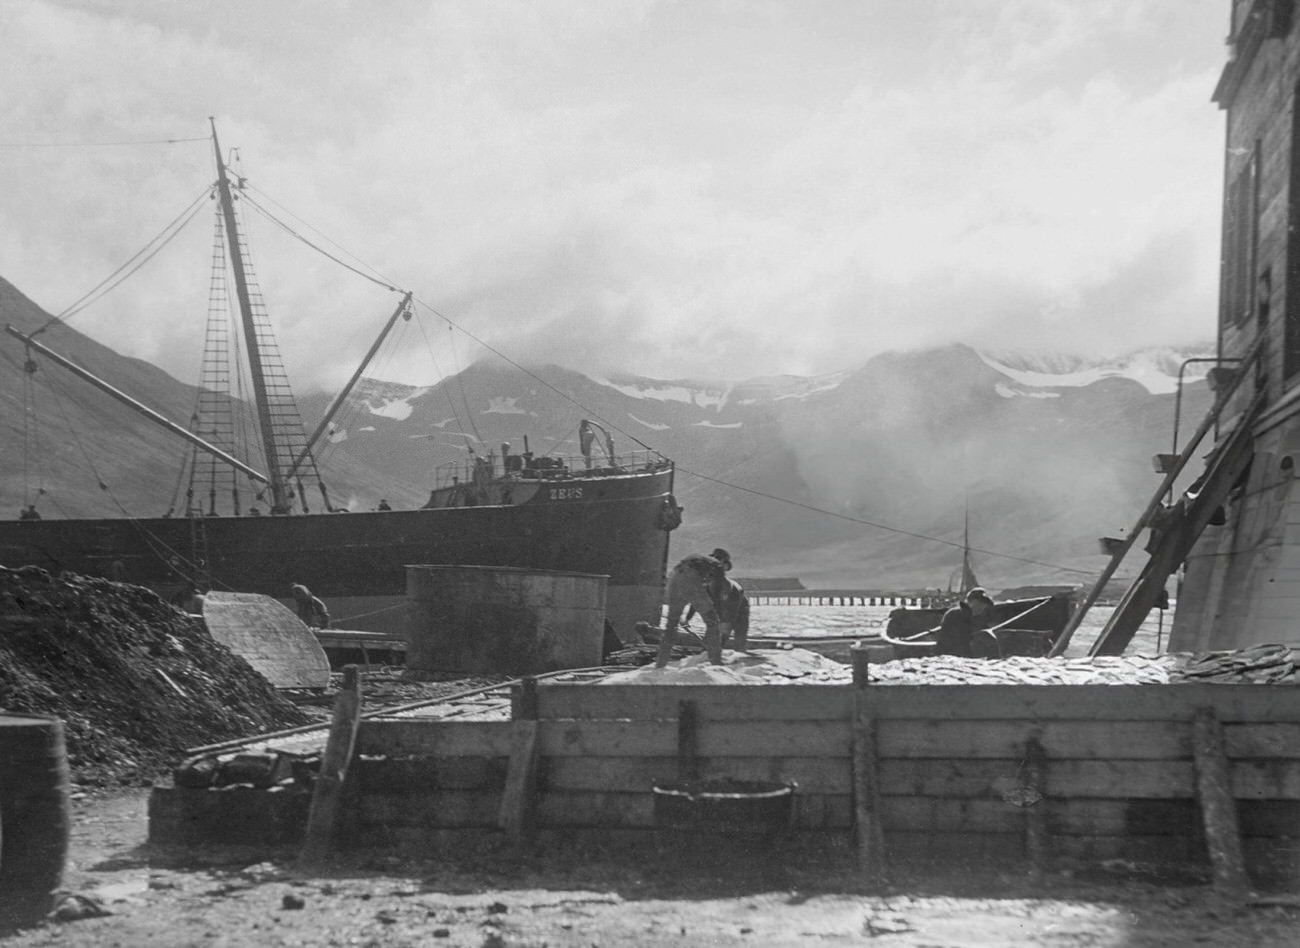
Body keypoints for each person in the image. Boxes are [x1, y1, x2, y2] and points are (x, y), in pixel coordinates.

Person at [655, 551, 731, 667]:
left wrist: (687, 618)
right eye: (726, 567)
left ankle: (660, 663)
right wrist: (720, 617)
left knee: (671, 626)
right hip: (690, 577)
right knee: (712, 623)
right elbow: (715, 595)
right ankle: (716, 662)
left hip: (674, 578)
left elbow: (695, 597)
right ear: (724, 561)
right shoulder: (717, 565)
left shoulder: (700, 560)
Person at [935, 587, 997, 658]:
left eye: (984, 604)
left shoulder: (976, 616)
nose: (982, 607)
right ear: (972, 602)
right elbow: (958, 638)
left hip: (964, 654)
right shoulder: (955, 615)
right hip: (950, 654)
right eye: (981, 603)